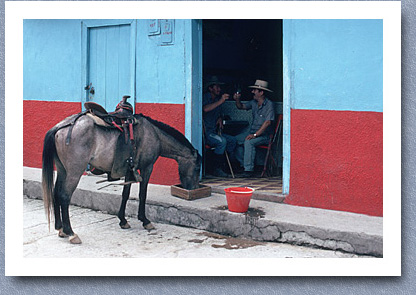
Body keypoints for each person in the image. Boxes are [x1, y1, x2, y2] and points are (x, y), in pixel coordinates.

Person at [234, 79, 275, 178]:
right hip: (252, 132)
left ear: (261, 92)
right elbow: (241, 107)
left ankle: (248, 170)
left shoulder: (269, 104)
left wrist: (255, 135)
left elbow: (267, 123)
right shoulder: (253, 102)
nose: (252, 92)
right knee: (234, 140)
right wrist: (237, 99)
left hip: (265, 136)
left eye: (255, 90)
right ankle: (243, 164)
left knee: (249, 142)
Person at [203, 76, 237, 177]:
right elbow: (205, 109)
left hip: (215, 131)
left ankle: (227, 166)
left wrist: (220, 118)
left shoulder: (217, 99)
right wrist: (221, 101)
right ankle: (215, 169)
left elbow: (218, 113)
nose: (219, 89)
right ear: (210, 88)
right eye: (217, 87)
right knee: (222, 141)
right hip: (206, 133)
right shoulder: (206, 97)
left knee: (232, 140)